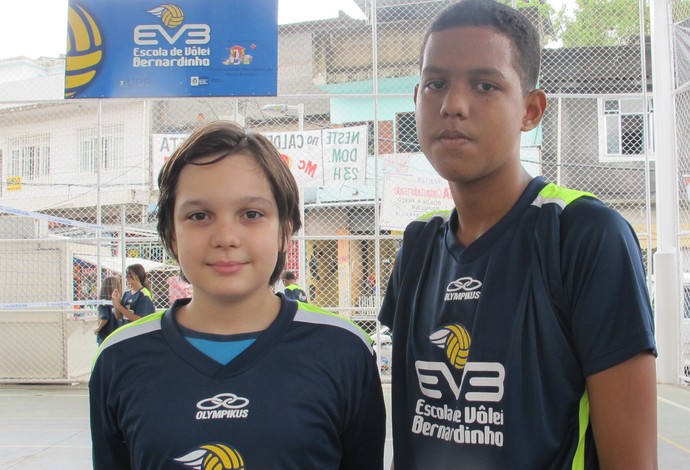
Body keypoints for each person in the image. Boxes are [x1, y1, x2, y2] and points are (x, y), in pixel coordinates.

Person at [378, 1, 657, 469]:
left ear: (530, 110)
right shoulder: (418, 247)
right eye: (436, 84)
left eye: (485, 85)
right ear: (416, 98)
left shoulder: (585, 235)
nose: (453, 105)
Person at [90, 120, 386, 469]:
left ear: (283, 232)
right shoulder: (119, 358)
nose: (226, 236)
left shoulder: (344, 351)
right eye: (199, 215)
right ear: (171, 236)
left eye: (251, 214)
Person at [93, 276, 121, 345]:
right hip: (117, 335)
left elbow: (105, 317)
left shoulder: (103, 304)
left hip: (105, 337)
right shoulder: (118, 303)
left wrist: (98, 329)